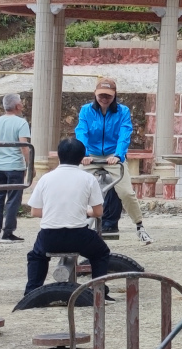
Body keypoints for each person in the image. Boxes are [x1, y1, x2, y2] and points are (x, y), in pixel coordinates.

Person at [20, 137, 117, 299]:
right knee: (101, 252)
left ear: (59, 155)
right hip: (78, 236)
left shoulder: (45, 178)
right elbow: (98, 212)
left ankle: (32, 291)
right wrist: (84, 212)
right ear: (82, 158)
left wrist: (56, 211)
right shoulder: (88, 179)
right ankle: (98, 289)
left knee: (36, 255)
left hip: (50, 237)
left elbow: (35, 212)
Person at [76, 75, 152, 245]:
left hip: (113, 156)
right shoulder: (86, 110)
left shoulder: (122, 111)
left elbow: (124, 134)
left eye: (108, 95)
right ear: (95, 93)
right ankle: (74, 224)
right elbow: (82, 132)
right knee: (77, 186)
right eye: (101, 95)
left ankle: (140, 227)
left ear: (115, 94)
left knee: (126, 192)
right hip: (92, 155)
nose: (104, 98)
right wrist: (84, 154)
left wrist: (118, 155)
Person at [0, 93, 30, 241]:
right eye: (21, 103)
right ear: (17, 106)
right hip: (15, 165)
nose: (22, 105)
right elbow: (24, 146)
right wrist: (30, 164)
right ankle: (8, 231)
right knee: (13, 199)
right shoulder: (21, 123)